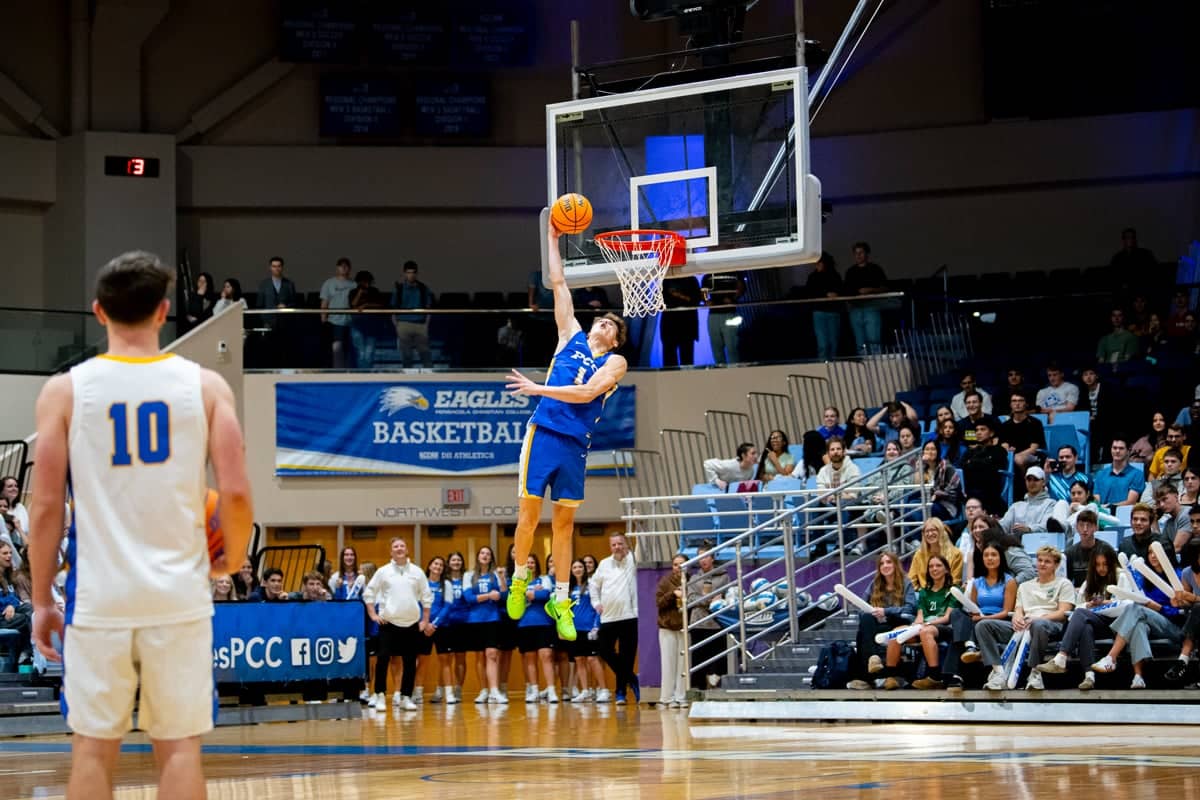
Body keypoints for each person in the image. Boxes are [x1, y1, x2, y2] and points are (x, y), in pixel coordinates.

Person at [28, 251, 253, 800]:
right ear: (164, 312)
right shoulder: (205, 389)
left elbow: (44, 506)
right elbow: (238, 490)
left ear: (98, 312)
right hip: (178, 597)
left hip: (100, 599)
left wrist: (41, 599)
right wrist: (235, 555)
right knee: (178, 749)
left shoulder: (64, 392)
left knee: (91, 751)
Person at [504, 225, 629, 644]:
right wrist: (553, 239)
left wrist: (539, 388)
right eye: (602, 320)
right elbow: (558, 281)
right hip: (543, 434)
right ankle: (520, 577)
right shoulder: (568, 335)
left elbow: (587, 393)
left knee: (563, 526)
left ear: (614, 341)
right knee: (527, 516)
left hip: (575, 444)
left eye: (611, 324)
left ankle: (561, 598)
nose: (603, 323)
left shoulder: (616, 364)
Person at [976, 546, 1075, 691]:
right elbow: (1018, 609)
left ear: (1056, 564)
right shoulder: (1024, 586)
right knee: (983, 625)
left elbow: (1063, 612)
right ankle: (998, 672)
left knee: (1038, 625)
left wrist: (1037, 619)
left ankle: (1035, 673)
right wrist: (1017, 618)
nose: (1042, 564)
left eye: (1047, 561)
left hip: (1050, 624)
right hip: (1024, 625)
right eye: (1040, 560)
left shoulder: (1064, 583)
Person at [1035, 543, 1129, 690]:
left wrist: (1102, 603)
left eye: (1105, 564)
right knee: (1085, 626)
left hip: (1116, 624)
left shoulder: (1121, 575)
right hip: (1094, 621)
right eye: (1097, 564)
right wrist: (1090, 606)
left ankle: (1061, 656)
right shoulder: (1089, 579)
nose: (1101, 568)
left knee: (1081, 615)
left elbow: (1126, 605)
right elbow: (1079, 606)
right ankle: (1089, 676)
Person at [1091, 546, 1187, 689]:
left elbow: (1184, 611)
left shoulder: (1179, 575)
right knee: (1137, 623)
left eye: (1157, 553)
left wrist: (1159, 608)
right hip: (1145, 619)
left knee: (1135, 609)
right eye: (1150, 552)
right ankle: (1138, 677)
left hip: (1173, 627)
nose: (1153, 556)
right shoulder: (1144, 577)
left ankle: (1111, 657)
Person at [362, 537, 433, 712]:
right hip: (389, 623)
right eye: (395, 546)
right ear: (391, 551)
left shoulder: (417, 572)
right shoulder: (383, 571)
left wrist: (425, 620)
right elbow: (369, 592)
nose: (399, 548)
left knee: (410, 661)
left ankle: (405, 697)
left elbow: (426, 596)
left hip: (411, 624)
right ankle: (379, 695)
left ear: (407, 550)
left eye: (402, 545)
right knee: (383, 658)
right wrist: (372, 614)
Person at [880, 554, 958, 690]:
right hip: (923, 627)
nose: (934, 569)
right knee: (896, 633)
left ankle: (935, 677)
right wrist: (914, 626)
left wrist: (926, 625)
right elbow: (920, 616)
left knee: (925, 631)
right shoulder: (924, 592)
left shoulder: (953, 590)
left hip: (945, 628)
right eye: (931, 566)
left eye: (938, 565)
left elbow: (947, 617)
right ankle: (891, 676)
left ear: (946, 569)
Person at [848, 550, 915, 690]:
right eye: (882, 563)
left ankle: (867, 677)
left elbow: (910, 608)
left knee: (863, 634)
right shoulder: (875, 584)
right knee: (865, 621)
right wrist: (872, 613)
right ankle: (873, 661)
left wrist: (885, 611)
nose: (885, 565)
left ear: (896, 564)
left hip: (897, 623)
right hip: (877, 624)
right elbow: (862, 606)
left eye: (889, 562)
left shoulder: (906, 583)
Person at [590, 533, 640, 703]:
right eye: (614, 545)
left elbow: (642, 546)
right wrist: (596, 602)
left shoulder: (634, 560)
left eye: (620, 543)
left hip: (630, 616)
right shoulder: (604, 564)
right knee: (604, 650)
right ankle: (633, 679)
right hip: (608, 617)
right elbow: (593, 585)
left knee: (627, 656)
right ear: (610, 547)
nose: (617, 547)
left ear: (626, 544)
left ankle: (621, 694)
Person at [687, 548, 731, 690]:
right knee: (698, 659)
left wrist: (718, 599)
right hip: (698, 623)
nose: (703, 560)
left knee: (719, 659)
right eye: (700, 557)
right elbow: (691, 599)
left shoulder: (724, 576)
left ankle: (720, 690)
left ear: (712, 558)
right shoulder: (694, 579)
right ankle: (698, 690)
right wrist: (710, 600)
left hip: (717, 623)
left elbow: (727, 596)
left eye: (706, 557)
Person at [843, 241, 887, 355]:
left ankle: (876, 367)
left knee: (874, 341)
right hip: (855, 309)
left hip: (871, 308)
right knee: (860, 343)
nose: (858, 255)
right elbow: (846, 291)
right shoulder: (850, 272)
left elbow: (884, 288)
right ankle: (863, 368)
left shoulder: (875, 269)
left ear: (867, 254)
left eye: (861, 252)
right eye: (856, 253)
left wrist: (870, 290)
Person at [655, 554, 688, 708]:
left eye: (681, 564)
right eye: (675, 564)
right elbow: (659, 603)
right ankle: (667, 697)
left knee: (683, 665)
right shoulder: (665, 581)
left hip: (684, 627)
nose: (678, 567)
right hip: (667, 627)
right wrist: (673, 593)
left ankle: (681, 697)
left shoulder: (692, 582)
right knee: (668, 663)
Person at [389, 260, 435, 369]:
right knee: (406, 355)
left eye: (413, 272)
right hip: (403, 324)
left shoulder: (423, 288)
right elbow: (392, 308)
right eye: (409, 272)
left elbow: (428, 308)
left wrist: (426, 325)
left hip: (420, 324)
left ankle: (430, 378)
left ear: (416, 273)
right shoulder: (399, 289)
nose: (411, 275)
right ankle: (408, 378)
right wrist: (397, 325)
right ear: (404, 273)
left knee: (425, 354)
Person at [319, 257, 357, 369]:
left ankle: (350, 372)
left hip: (351, 323)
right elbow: (324, 302)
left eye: (346, 266)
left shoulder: (354, 284)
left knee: (350, 349)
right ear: (337, 268)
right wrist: (323, 319)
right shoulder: (329, 283)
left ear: (349, 268)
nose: (343, 268)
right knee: (336, 349)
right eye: (341, 266)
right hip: (334, 322)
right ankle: (337, 372)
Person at [806, 252, 843, 361]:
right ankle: (823, 365)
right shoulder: (812, 277)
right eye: (815, 262)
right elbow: (809, 293)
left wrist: (835, 294)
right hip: (819, 312)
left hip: (833, 312)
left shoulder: (835, 275)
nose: (816, 264)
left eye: (819, 262)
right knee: (823, 344)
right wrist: (826, 294)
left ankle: (833, 366)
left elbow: (840, 290)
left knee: (833, 343)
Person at [660, 276, 701, 367]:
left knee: (687, 360)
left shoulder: (691, 279)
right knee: (669, 362)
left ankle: (688, 380)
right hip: (669, 324)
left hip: (687, 325)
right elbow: (659, 301)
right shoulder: (666, 280)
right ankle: (669, 380)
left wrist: (678, 295)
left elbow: (696, 300)